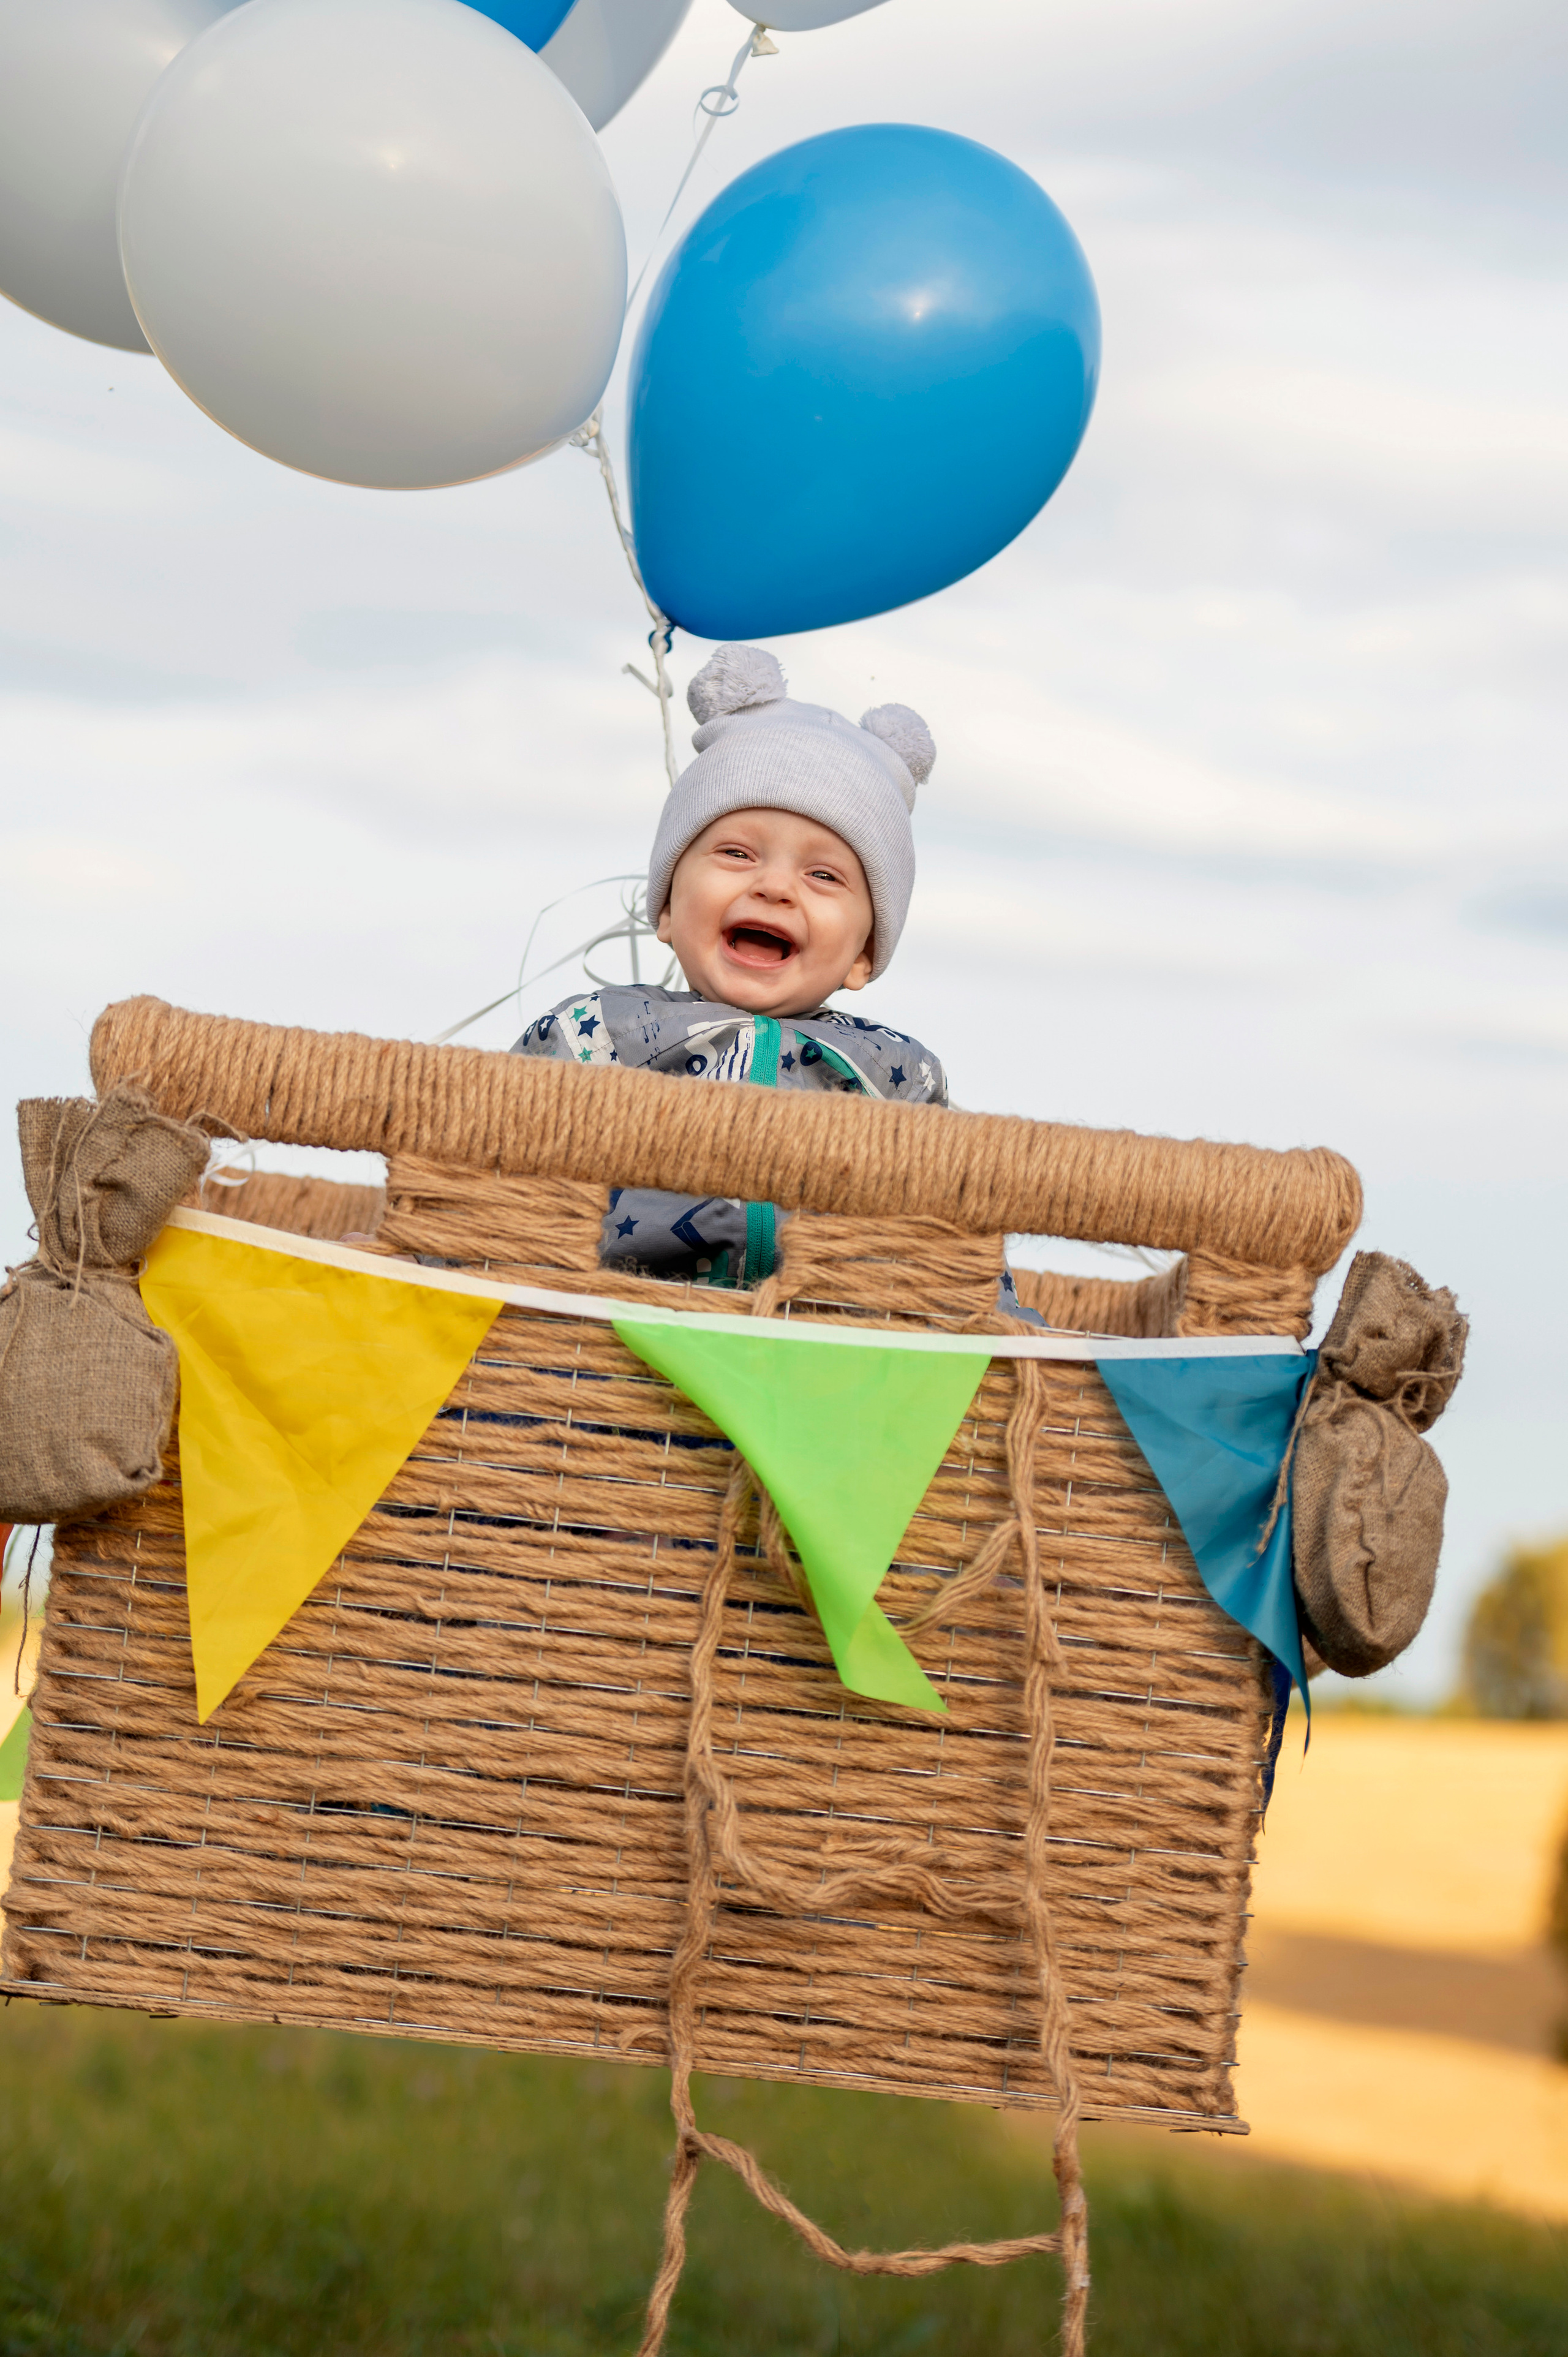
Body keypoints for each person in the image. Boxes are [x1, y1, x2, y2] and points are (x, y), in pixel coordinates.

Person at [513, 642, 1036, 1318]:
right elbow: (486, 1179)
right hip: (605, 1338)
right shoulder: (594, 1035)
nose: (773, 886)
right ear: (668, 907)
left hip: (820, 1364)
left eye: (823, 876)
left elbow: (957, 1241)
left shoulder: (900, 1075)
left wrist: (1010, 1333)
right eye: (736, 853)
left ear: (863, 955)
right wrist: (408, 1257)